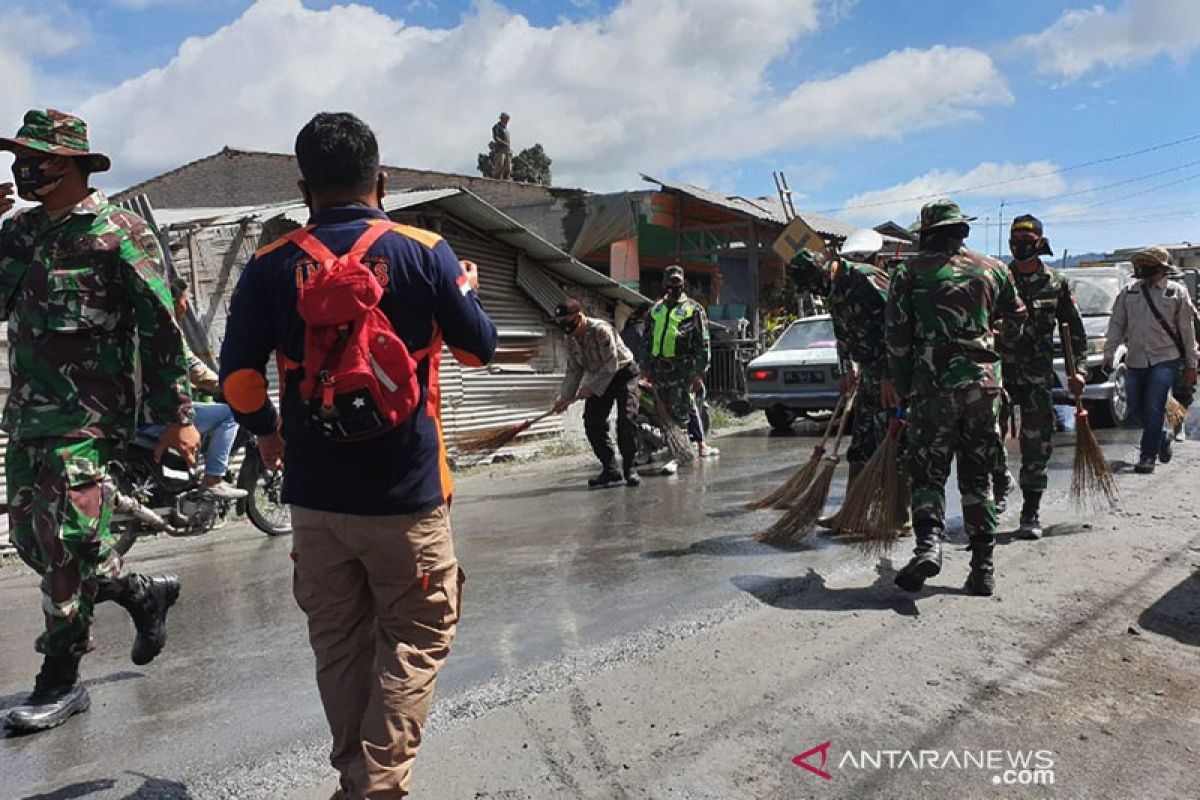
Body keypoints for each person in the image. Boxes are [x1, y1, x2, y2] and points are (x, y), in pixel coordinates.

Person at [219, 112, 497, 799]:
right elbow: (477, 350)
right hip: (408, 502)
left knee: (340, 648)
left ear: (304, 188)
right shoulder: (424, 250)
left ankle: (358, 779)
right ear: (382, 181)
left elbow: (237, 380)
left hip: (315, 503)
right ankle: (376, 786)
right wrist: (463, 290)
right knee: (414, 639)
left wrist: (268, 432)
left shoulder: (268, 265)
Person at [0, 109, 197, 733]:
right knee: (36, 541)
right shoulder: (20, 233)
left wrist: (179, 417)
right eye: (17, 157)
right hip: (30, 416)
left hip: (91, 417)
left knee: (62, 543)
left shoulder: (120, 233)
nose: (19, 167)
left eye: (36, 158)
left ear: (73, 164)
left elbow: (163, 329)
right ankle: (139, 590)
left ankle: (59, 682)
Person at [886, 199, 1026, 596]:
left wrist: (900, 382)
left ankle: (929, 546)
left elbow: (896, 336)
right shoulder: (994, 269)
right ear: (961, 232)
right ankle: (983, 568)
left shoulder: (908, 272)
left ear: (926, 235)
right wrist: (992, 338)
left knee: (928, 472)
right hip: (984, 386)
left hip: (933, 387)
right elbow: (1018, 317)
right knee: (978, 476)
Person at [790, 231, 911, 533]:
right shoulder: (835, 289)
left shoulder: (867, 278)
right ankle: (852, 513)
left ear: (827, 267)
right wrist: (847, 368)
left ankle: (900, 517)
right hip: (869, 374)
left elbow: (898, 325)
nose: (817, 291)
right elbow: (843, 334)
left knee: (893, 444)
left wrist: (889, 376)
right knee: (862, 445)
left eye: (816, 283)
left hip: (891, 377)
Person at [992, 215, 1087, 539]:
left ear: (1039, 242)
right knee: (988, 438)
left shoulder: (1056, 282)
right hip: (1001, 373)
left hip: (1036, 376)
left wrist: (1081, 372)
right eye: (1014, 240)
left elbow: (1075, 332)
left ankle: (1030, 512)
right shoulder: (1000, 280)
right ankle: (1000, 481)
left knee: (1037, 445)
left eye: (1026, 239)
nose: (1019, 245)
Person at [138, 277, 247, 500]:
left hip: (136, 411)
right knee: (231, 414)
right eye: (184, 300)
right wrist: (228, 386)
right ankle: (213, 479)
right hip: (155, 412)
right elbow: (193, 369)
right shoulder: (166, 330)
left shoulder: (137, 326)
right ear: (173, 301)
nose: (186, 306)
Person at [1102, 246, 1198, 473]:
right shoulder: (1128, 293)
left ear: (1161, 267)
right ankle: (1162, 436)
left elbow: (1187, 331)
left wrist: (1192, 364)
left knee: (1154, 406)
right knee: (1134, 410)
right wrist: (1109, 353)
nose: (1142, 268)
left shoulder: (1176, 293)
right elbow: (1116, 325)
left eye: (1148, 263)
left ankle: (1147, 456)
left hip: (1165, 359)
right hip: (1135, 360)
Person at [552, 298, 641, 488]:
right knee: (592, 421)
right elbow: (574, 370)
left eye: (568, 323)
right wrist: (565, 397)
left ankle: (629, 468)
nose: (566, 329)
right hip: (599, 377)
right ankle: (610, 470)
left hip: (622, 373)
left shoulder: (601, 330)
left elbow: (611, 365)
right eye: (561, 324)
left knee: (626, 419)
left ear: (579, 317)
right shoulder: (570, 339)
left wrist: (590, 388)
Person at [644, 265, 717, 458]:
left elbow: (703, 343)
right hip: (659, 371)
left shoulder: (693, 309)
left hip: (682, 370)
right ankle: (675, 449)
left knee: (682, 411)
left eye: (677, 282)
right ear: (664, 283)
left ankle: (684, 453)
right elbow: (647, 340)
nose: (673, 285)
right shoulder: (655, 309)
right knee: (663, 412)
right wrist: (646, 368)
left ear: (683, 283)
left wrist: (699, 372)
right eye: (670, 282)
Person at [489, 112, 511, 180]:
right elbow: (496, 137)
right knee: (499, 165)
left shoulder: (506, 129)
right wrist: (503, 143)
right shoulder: (497, 127)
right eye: (506, 119)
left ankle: (506, 179)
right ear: (502, 119)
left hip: (507, 150)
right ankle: (496, 179)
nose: (507, 121)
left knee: (508, 166)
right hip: (500, 150)